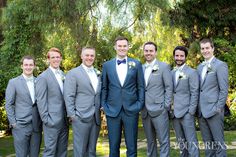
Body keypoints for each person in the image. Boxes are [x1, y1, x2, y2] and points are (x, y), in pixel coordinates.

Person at [101, 36, 145, 157]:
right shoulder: (107, 65)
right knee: (113, 146)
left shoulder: (136, 64)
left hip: (131, 109)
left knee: (131, 146)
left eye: (124, 46)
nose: (122, 48)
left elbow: (140, 86)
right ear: (115, 47)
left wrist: (139, 104)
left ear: (128, 47)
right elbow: (104, 87)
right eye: (119, 46)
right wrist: (104, 105)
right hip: (112, 110)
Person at [64, 47, 101, 157]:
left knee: (92, 150)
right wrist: (72, 115)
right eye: (87, 55)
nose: (89, 58)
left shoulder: (98, 73)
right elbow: (69, 95)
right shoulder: (73, 73)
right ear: (81, 56)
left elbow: (98, 93)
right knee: (80, 150)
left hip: (96, 117)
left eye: (92, 55)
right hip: (80, 117)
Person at [5, 55, 42, 157]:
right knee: (21, 155)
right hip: (20, 126)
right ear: (22, 66)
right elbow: (9, 104)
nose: (28, 67)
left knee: (35, 154)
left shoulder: (39, 81)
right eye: (26, 65)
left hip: (36, 125)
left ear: (34, 66)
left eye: (31, 65)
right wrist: (14, 123)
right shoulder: (13, 82)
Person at [197, 38, 228, 157]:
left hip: (214, 110)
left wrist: (218, 108)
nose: (205, 51)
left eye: (207, 48)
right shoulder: (199, 67)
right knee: (208, 145)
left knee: (219, 144)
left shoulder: (220, 65)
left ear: (213, 48)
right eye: (202, 48)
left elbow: (224, 89)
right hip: (201, 112)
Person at [141, 41, 173, 157]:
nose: (148, 53)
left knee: (163, 141)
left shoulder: (164, 67)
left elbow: (169, 87)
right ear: (143, 52)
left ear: (155, 52)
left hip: (160, 110)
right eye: (146, 51)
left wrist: (166, 106)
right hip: (145, 110)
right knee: (150, 142)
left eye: (151, 51)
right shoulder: (141, 68)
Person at [36, 47, 68, 157]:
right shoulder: (42, 77)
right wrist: (46, 120)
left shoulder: (64, 75)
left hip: (64, 120)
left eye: (58, 57)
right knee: (50, 151)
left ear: (61, 58)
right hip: (51, 121)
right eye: (53, 57)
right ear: (48, 59)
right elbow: (41, 100)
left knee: (62, 151)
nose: (55, 59)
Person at [172, 46, 199, 156]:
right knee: (181, 142)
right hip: (174, 113)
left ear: (185, 57)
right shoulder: (171, 72)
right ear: (174, 56)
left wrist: (191, 111)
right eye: (177, 55)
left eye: (181, 56)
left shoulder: (192, 72)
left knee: (191, 142)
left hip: (187, 112)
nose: (179, 58)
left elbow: (195, 92)